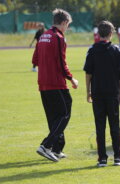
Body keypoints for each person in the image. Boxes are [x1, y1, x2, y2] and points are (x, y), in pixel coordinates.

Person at [32, 9, 78, 162]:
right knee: (64, 113)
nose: (67, 28)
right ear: (64, 23)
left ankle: (57, 148)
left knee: (54, 117)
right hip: (56, 83)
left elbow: (35, 59)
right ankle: (46, 145)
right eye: (68, 25)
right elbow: (61, 62)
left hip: (43, 83)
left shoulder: (43, 35)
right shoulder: (59, 37)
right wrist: (71, 78)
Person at [84, 20, 120, 167]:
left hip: (97, 93)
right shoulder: (115, 50)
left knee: (99, 126)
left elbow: (88, 73)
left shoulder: (92, 50)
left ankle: (102, 158)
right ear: (111, 33)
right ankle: (117, 158)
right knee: (115, 125)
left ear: (98, 34)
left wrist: (88, 91)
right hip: (112, 92)